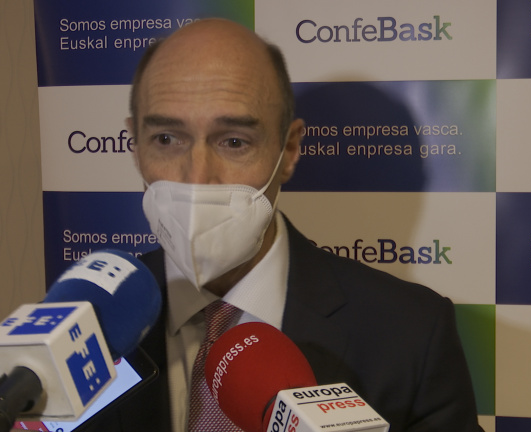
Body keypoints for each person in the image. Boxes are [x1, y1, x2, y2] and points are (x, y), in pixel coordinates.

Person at [99, 18, 483, 432]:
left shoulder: (411, 336)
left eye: (234, 142)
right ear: (135, 146)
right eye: (166, 139)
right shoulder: (92, 320)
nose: (197, 178)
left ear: (289, 150)